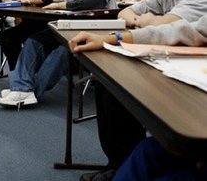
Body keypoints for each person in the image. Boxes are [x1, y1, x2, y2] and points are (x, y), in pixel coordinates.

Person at [79, 0, 207, 181]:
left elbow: (173, 29)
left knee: (125, 97)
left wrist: (147, 22)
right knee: (110, 88)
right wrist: (148, 20)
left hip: (187, 79)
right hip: (168, 61)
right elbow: (127, 13)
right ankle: (118, 164)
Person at [69, 15, 207, 181]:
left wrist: (143, 19)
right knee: (148, 151)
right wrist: (113, 38)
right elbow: (183, 30)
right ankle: (115, 166)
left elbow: (167, 22)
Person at [0, 0, 53, 71]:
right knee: (4, 37)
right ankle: (17, 68)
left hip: (41, 26)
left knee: (24, 40)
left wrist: (28, 1)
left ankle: (22, 68)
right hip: (26, 25)